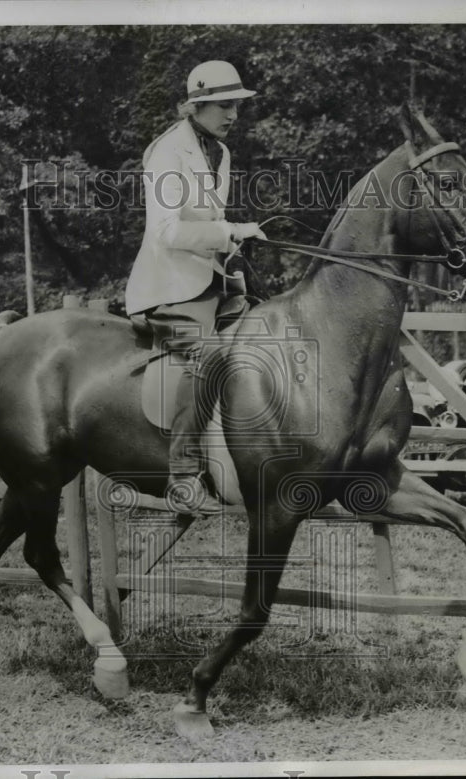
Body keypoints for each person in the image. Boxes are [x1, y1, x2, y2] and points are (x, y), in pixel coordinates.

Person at [124, 60, 266, 516]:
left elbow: (209, 219)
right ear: (197, 105)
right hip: (167, 291)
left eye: (237, 107)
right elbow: (166, 231)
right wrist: (230, 233)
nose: (233, 116)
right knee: (209, 355)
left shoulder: (220, 154)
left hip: (213, 283)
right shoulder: (166, 153)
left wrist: (234, 241)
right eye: (225, 106)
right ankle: (183, 475)